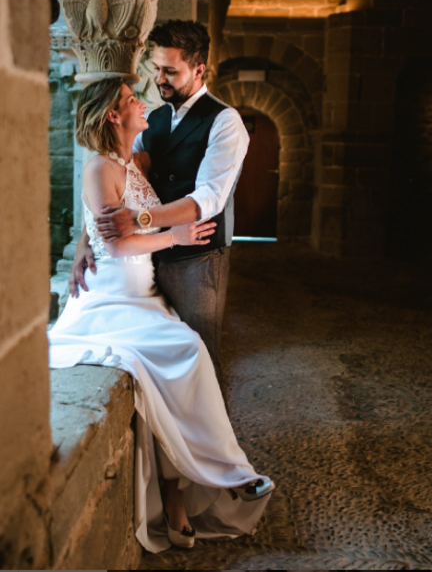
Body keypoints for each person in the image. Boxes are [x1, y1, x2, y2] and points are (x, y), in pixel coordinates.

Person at [48, 77, 274, 553]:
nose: (143, 102)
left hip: (145, 292)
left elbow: (103, 221)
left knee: (186, 358)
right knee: (185, 352)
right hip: (112, 298)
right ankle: (224, 474)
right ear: (114, 115)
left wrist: (86, 238)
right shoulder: (99, 168)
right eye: (133, 99)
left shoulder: (136, 162)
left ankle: (190, 489)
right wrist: (176, 237)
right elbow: (116, 242)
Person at [70, 20, 249, 379]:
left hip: (195, 258)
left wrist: (141, 220)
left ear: (198, 70)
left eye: (170, 71)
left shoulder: (225, 121)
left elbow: (208, 199)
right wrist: (85, 242)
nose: (159, 79)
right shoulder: (153, 120)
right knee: (157, 364)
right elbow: (118, 179)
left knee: (199, 357)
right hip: (144, 262)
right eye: (156, 68)